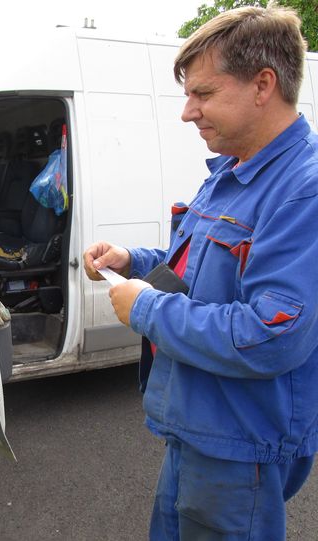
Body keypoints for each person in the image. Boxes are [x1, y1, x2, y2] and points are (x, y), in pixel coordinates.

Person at [83, 6, 318, 540]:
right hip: (199, 424)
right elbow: (196, 266)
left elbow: (271, 336)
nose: (188, 112)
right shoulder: (231, 171)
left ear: (264, 84)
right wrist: (133, 261)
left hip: (240, 442)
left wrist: (144, 308)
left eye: (204, 94)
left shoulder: (305, 188)